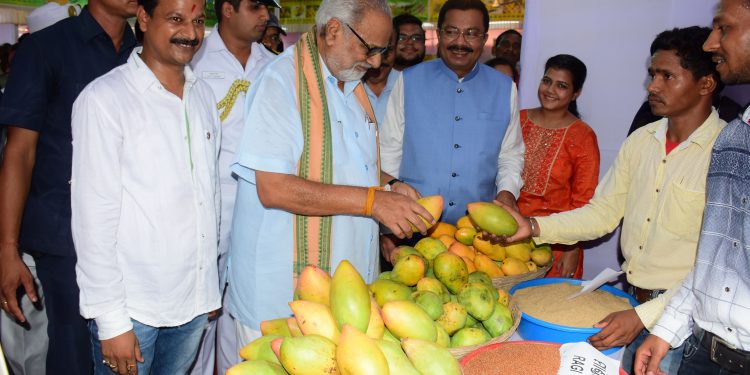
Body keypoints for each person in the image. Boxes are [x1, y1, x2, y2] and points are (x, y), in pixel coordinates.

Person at [495, 26, 726, 374]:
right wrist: (531, 226)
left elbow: (718, 265)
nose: (652, 86)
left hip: (684, 324)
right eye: (652, 74)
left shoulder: (728, 153)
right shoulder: (641, 141)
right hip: (630, 301)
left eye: (667, 76)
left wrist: (645, 316)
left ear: (705, 84)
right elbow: (603, 213)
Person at [225, 0, 433, 348]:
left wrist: (390, 185)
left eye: (383, 51)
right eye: (370, 48)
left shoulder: (351, 85)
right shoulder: (281, 82)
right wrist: (372, 202)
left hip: (343, 287)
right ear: (334, 30)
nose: (377, 62)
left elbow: (348, 163)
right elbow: (273, 187)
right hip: (283, 292)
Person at [71, 0, 221, 372]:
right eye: (175, 19)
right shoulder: (105, 100)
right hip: (133, 311)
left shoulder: (203, 96)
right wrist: (111, 321)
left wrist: (208, 286)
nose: (190, 32)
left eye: (198, 21)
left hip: (192, 304)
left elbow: (209, 197)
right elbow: (93, 219)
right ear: (143, 18)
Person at [0, 0, 137, 372]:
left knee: (127, 347)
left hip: (132, 229)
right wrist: (7, 249)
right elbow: (20, 152)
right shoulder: (45, 48)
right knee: (74, 351)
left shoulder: (142, 52)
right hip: (64, 233)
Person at [635, 2, 750, 374]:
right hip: (702, 350)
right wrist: (667, 328)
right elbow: (715, 260)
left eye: (724, 29)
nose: (711, 43)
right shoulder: (736, 137)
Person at [380, 0, 524, 228]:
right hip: (413, 222)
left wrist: (507, 192)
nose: (460, 42)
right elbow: (389, 152)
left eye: (471, 33)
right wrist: (387, 229)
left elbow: (510, 154)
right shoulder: (408, 81)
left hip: (479, 228)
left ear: (484, 39)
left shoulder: (505, 88)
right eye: (452, 32)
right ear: (439, 34)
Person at [189, 0, 277, 372]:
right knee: (199, 318)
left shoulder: (274, 66)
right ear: (227, 8)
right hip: (208, 210)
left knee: (242, 314)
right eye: (255, 7)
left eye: (267, 9)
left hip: (260, 208)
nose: (265, 17)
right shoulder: (194, 58)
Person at [516, 54, 599, 279]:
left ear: (576, 93)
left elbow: (583, 201)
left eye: (561, 86)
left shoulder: (583, 136)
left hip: (558, 242)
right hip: (511, 231)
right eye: (547, 81)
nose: (550, 90)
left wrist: (573, 249)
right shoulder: (518, 120)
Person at [363, 31, 399, 123]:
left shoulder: (408, 87)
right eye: (373, 50)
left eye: (387, 50)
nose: (378, 61)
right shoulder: (345, 86)